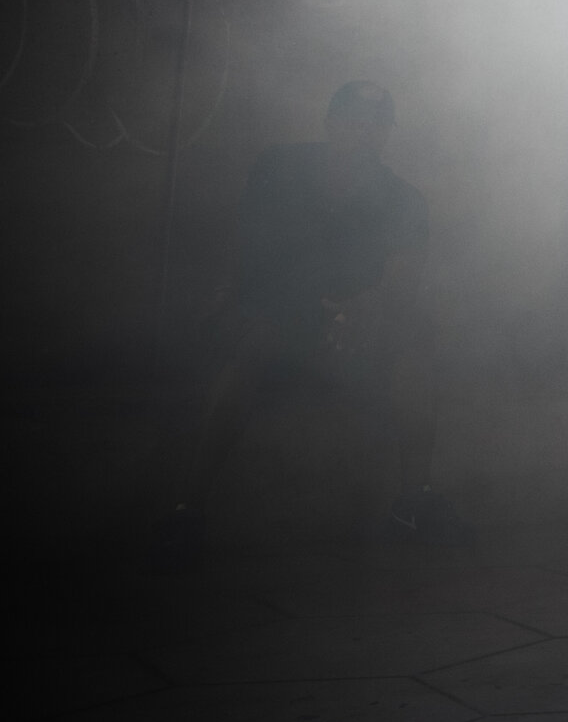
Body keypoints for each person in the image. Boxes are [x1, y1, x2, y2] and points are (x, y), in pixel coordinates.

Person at [154, 82, 463, 567]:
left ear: (387, 134)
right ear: (330, 121)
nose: (364, 133)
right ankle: (186, 511)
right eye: (353, 120)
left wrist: (367, 305)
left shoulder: (403, 198)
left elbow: (405, 275)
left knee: (417, 350)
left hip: (357, 336)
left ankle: (413, 503)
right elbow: (252, 253)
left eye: (377, 124)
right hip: (281, 321)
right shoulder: (280, 168)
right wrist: (300, 307)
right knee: (254, 339)